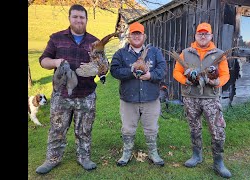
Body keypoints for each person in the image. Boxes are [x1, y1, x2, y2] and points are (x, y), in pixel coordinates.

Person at [36, 4, 99, 174]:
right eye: (75, 17)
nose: (79, 20)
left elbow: (102, 66)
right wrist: (56, 63)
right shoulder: (57, 38)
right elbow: (43, 60)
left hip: (86, 95)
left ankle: (84, 157)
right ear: (70, 18)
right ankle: (52, 159)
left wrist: (100, 68)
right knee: (57, 129)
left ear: (86, 20)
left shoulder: (95, 42)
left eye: (82, 17)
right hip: (61, 95)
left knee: (84, 130)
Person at [173, 22, 232, 178]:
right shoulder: (185, 53)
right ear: (196, 35)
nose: (203, 36)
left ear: (211, 36)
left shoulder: (219, 54)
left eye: (206, 33)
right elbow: (177, 72)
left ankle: (218, 162)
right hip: (191, 97)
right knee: (194, 128)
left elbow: (226, 74)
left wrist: (215, 82)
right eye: (200, 33)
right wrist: (187, 81)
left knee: (218, 130)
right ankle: (196, 156)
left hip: (211, 98)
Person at [110, 22, 167, 167]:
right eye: (133, 33)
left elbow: (163, 69)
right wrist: (130, 71)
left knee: (151, 128)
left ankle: (153, 153)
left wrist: (151, 75)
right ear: (129, 36)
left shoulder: (154, 52)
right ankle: (127, 153)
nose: (136, 36)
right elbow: (114, 71)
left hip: (151, 99)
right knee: (128, 128)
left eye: (139, 33)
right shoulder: (120, 54)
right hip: (129, 99)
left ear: (144, 36)